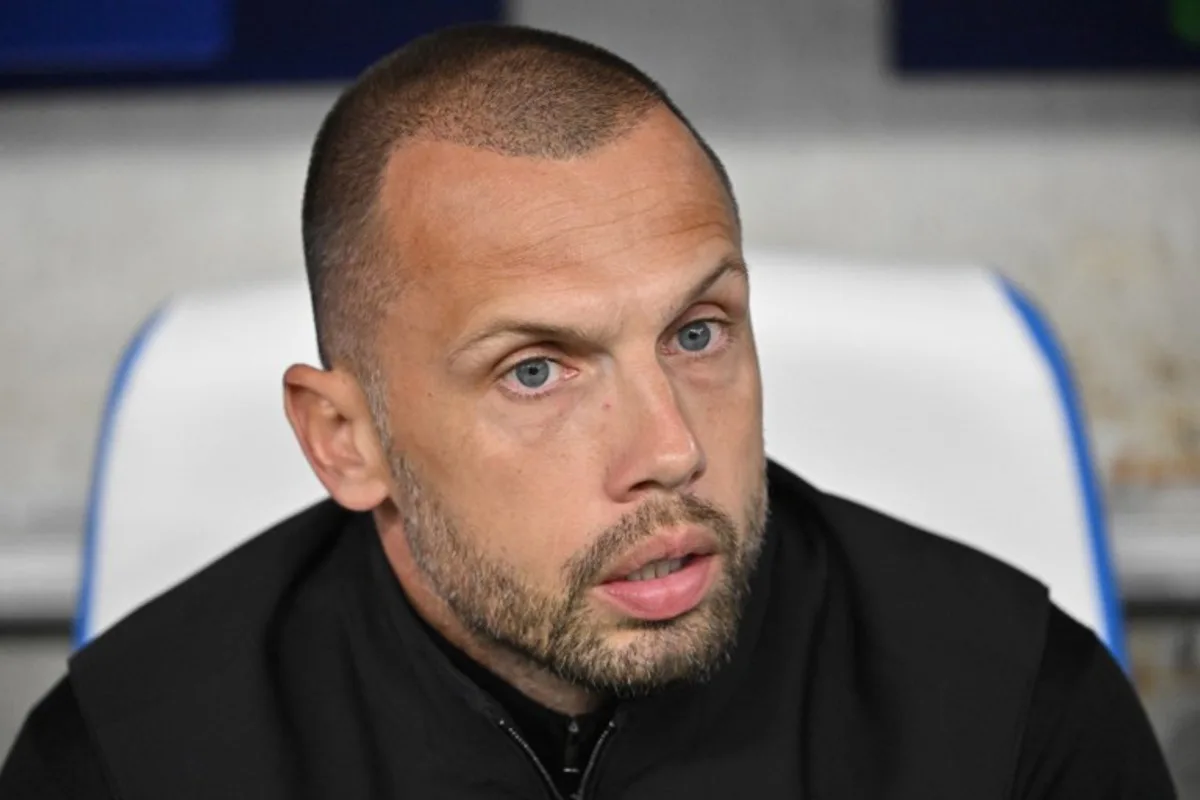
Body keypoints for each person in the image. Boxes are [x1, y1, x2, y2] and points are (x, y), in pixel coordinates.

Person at [0, 23, 1176, 800]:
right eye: (536, 370)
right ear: (345, 441)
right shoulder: (126, 762)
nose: (669, 449)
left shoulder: (1012, 715)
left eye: (698, 333)